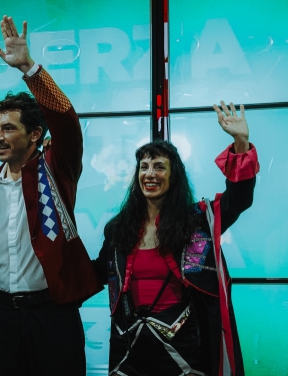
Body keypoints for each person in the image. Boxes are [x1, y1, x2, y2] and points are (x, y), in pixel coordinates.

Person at [0, 15, 102, 376]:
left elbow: (66, 120)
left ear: (34, 135)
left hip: (52, 314)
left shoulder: (56, 169)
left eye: (9, 128)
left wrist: (29, 68)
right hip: (1, 318)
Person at [93, 102, 259, 376]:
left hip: (184, 346)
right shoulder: (118, 228)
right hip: (127, 346)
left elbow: (239, 199)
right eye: (144, 167)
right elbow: (98, 273)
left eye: (159, 167)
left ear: (173, 175)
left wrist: (241, 142)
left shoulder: (198, 222)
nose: (150, 174)